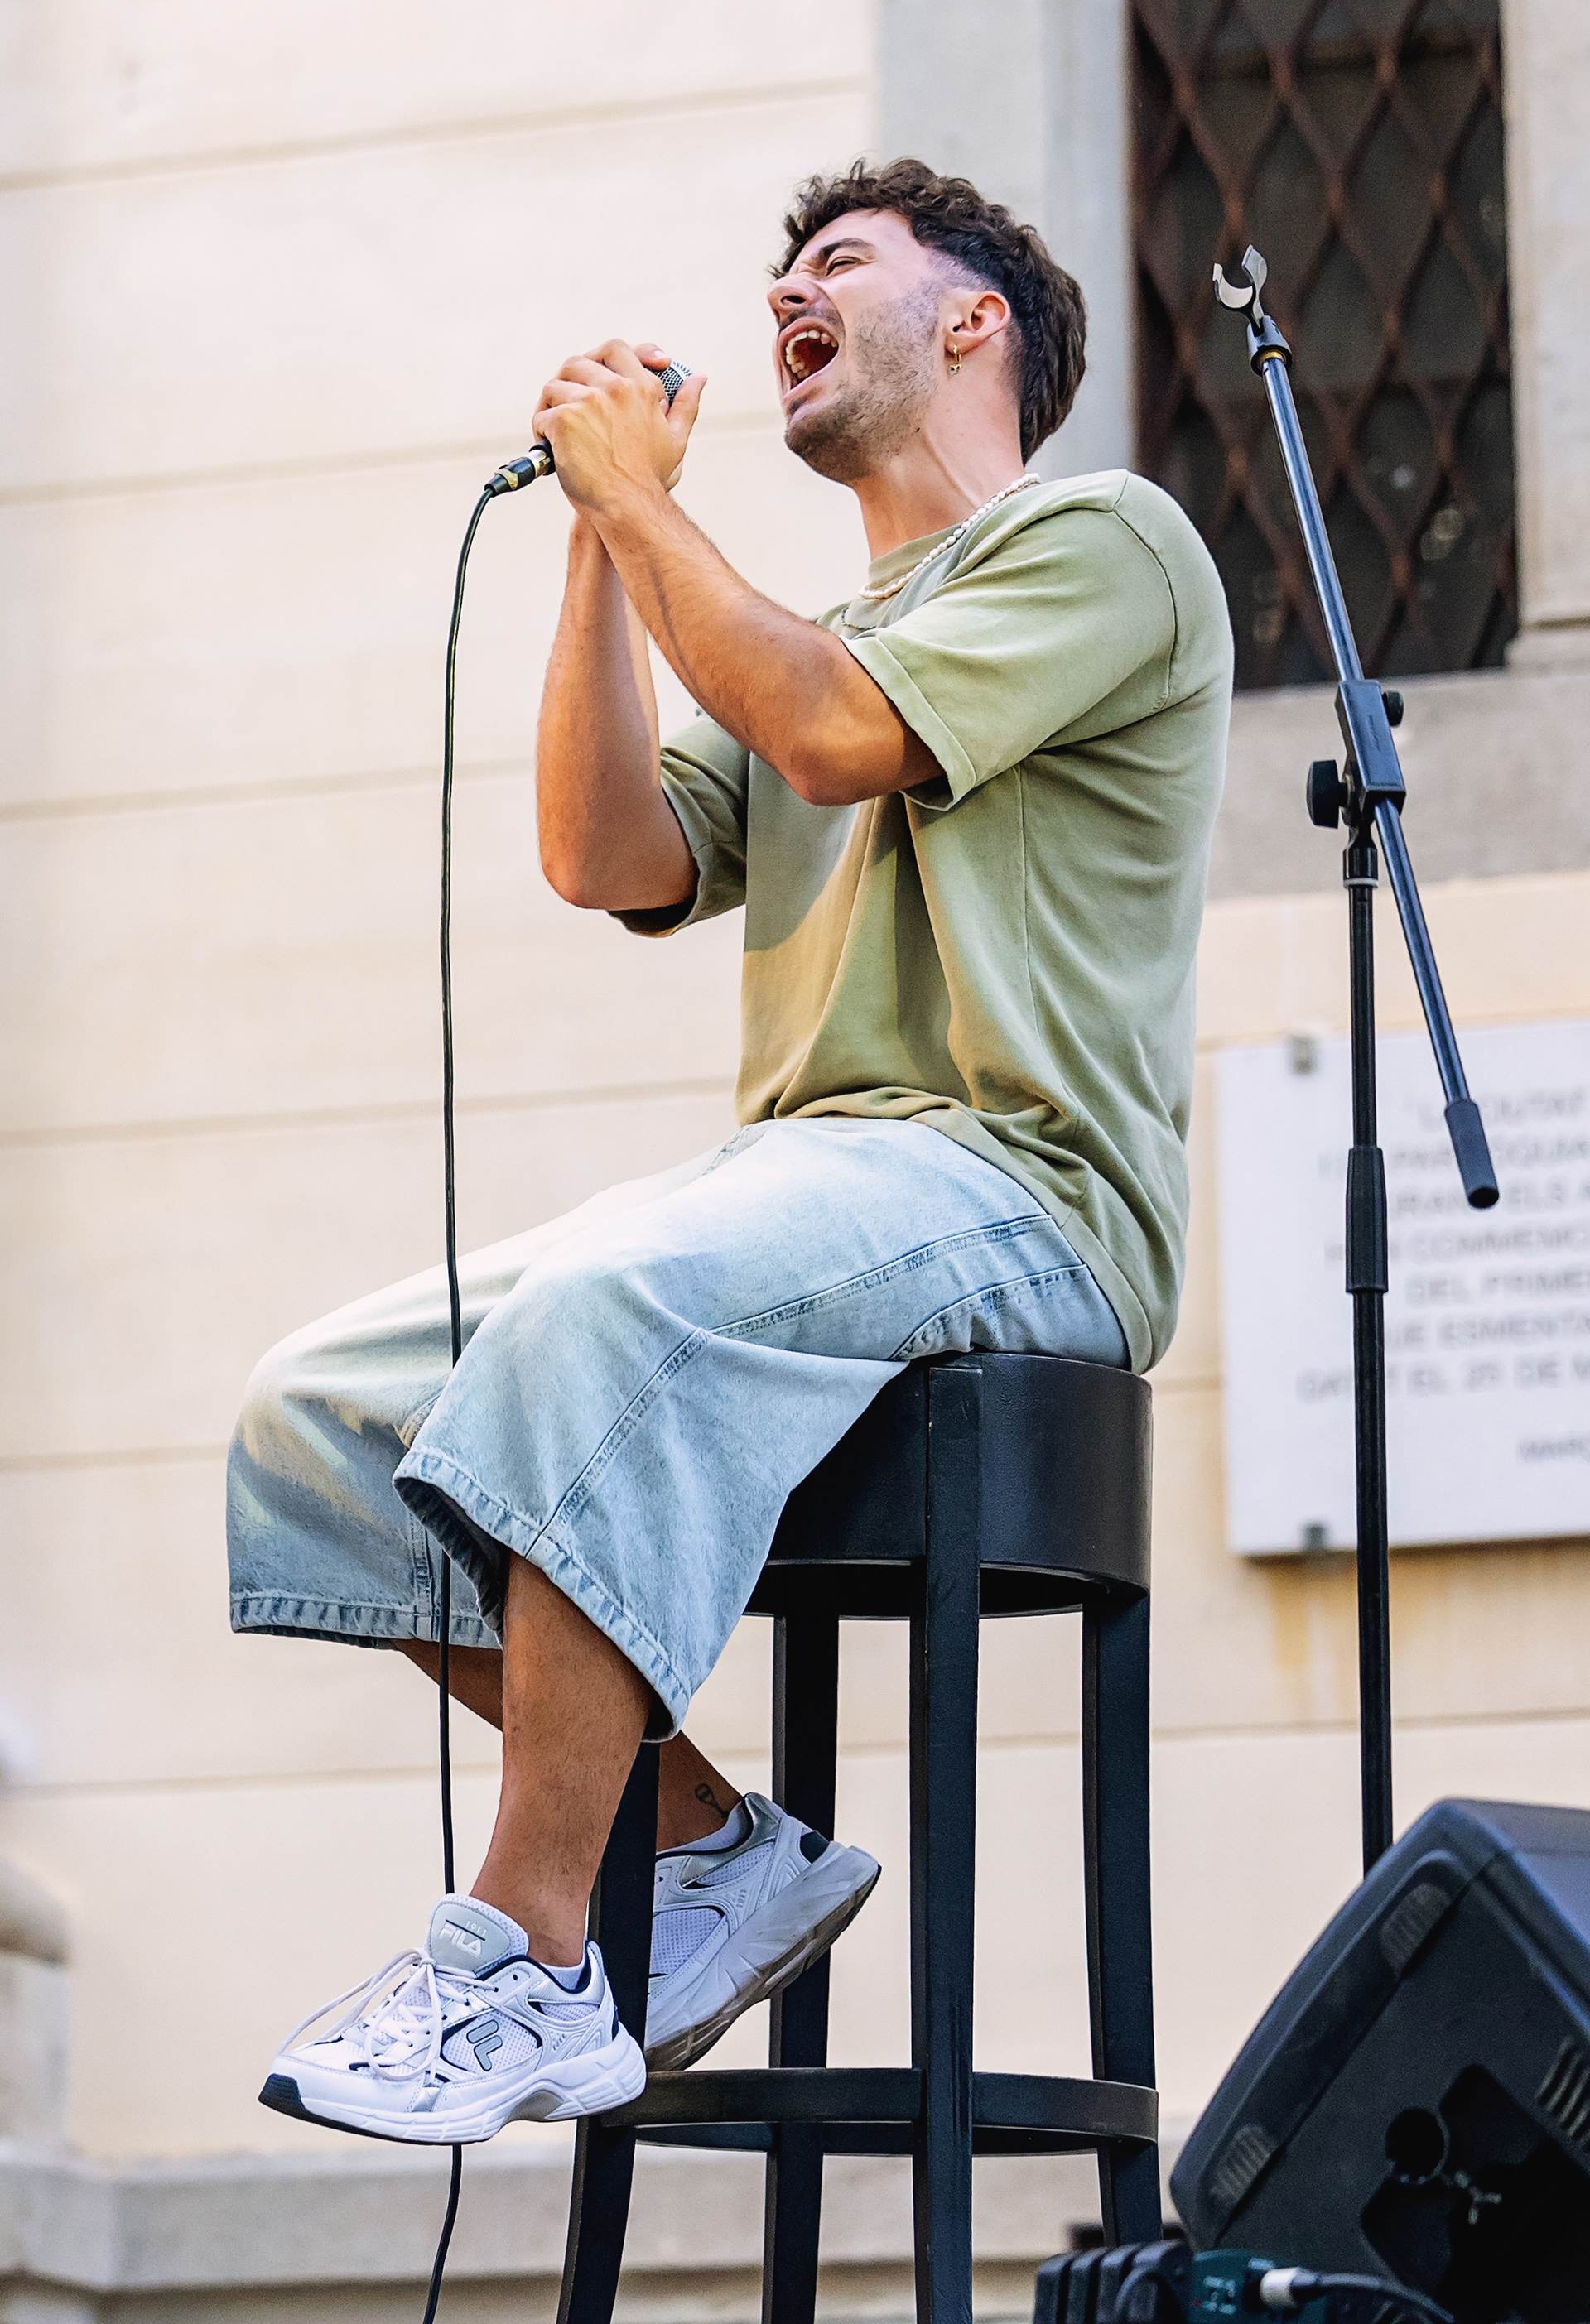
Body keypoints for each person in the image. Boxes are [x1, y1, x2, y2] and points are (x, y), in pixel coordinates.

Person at [229, 157, 1232, 2145]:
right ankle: (707, 1846)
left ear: (974, 323)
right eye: (781, 271)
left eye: (841, 262)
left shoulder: (1102, 543)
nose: (788, 293)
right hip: (817, 1193)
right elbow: (608, 853)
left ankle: (522, 1962)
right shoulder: (800, 633)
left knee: (616, 1299)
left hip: (1025, 1191)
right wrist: (600, 540)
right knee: (319, 1411)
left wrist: (645, 506)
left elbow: (836, 733)